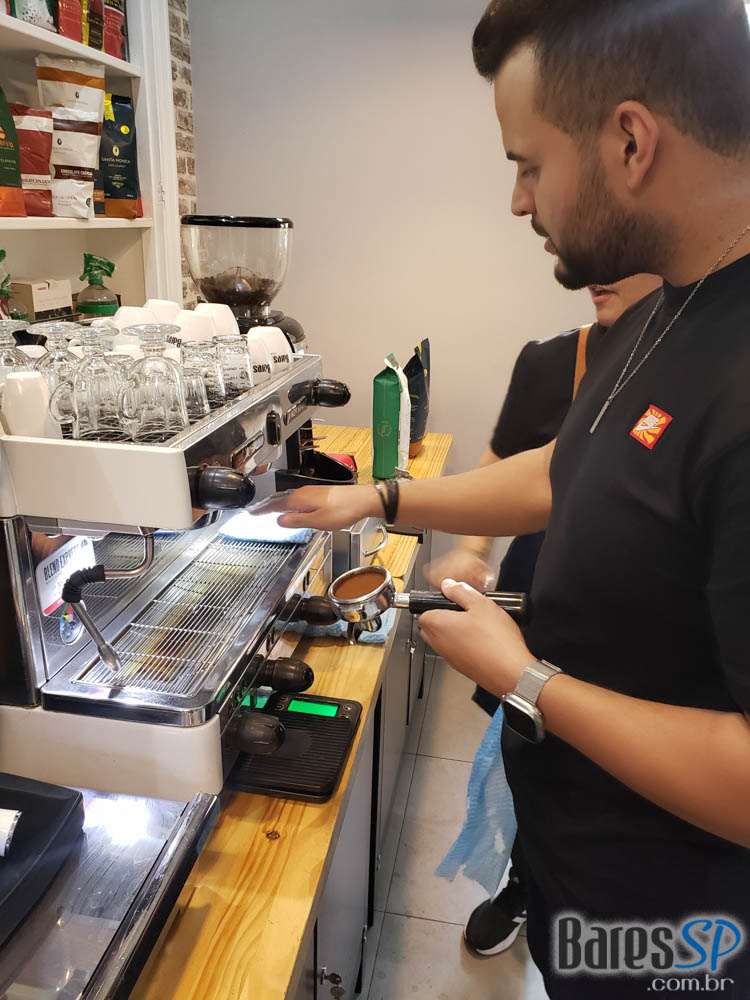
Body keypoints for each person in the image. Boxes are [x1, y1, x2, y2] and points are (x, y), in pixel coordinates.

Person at [269, 1, 750, 995]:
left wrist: (526, 679)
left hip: (685, 938)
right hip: (584, 878)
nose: (518, 203)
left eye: (528, 165)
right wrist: (383, 499)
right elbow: (567, 469)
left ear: (630, 141)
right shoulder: (668, 306)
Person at [426, 273, 662, 959]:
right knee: (534, 751)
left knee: (621, 770)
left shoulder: (703, 366)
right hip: (543, 601)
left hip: (640, 633)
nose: (593, 270)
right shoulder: (553, 359)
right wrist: (470, 548)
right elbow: (512, 471)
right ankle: (527, 881)